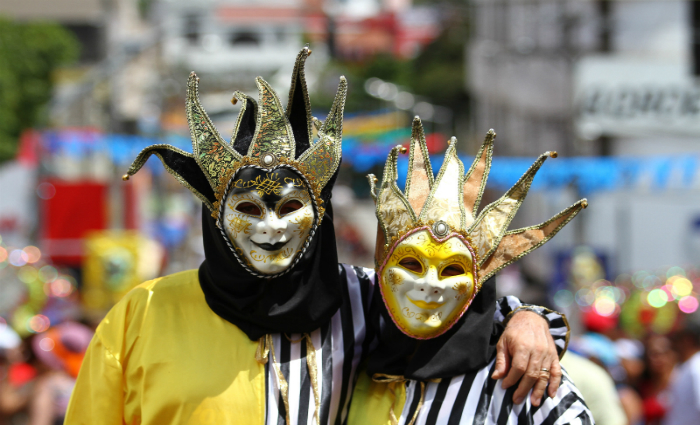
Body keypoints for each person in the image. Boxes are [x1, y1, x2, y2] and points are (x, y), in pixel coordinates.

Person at [65, 48, 568, 425]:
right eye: (247, 209)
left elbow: (455, 306)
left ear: (320, 211)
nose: (270, 227)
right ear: (214, 215)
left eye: (289, 206)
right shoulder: (141, 313)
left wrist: (531, 321)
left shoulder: (361, 299)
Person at [348, 119, 593, 425]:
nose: (430, 284)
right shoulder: (353, 359)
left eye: (452, 269)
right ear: (382, 267)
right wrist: (528, 317)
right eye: (411, 264)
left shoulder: (519, 381)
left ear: (479, 279)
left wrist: (529, 319)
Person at [663, 315, 700, 425]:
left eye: (676, 338)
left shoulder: (696, 368)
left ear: (687, 340)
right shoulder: (687, 365)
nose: (673, 344)